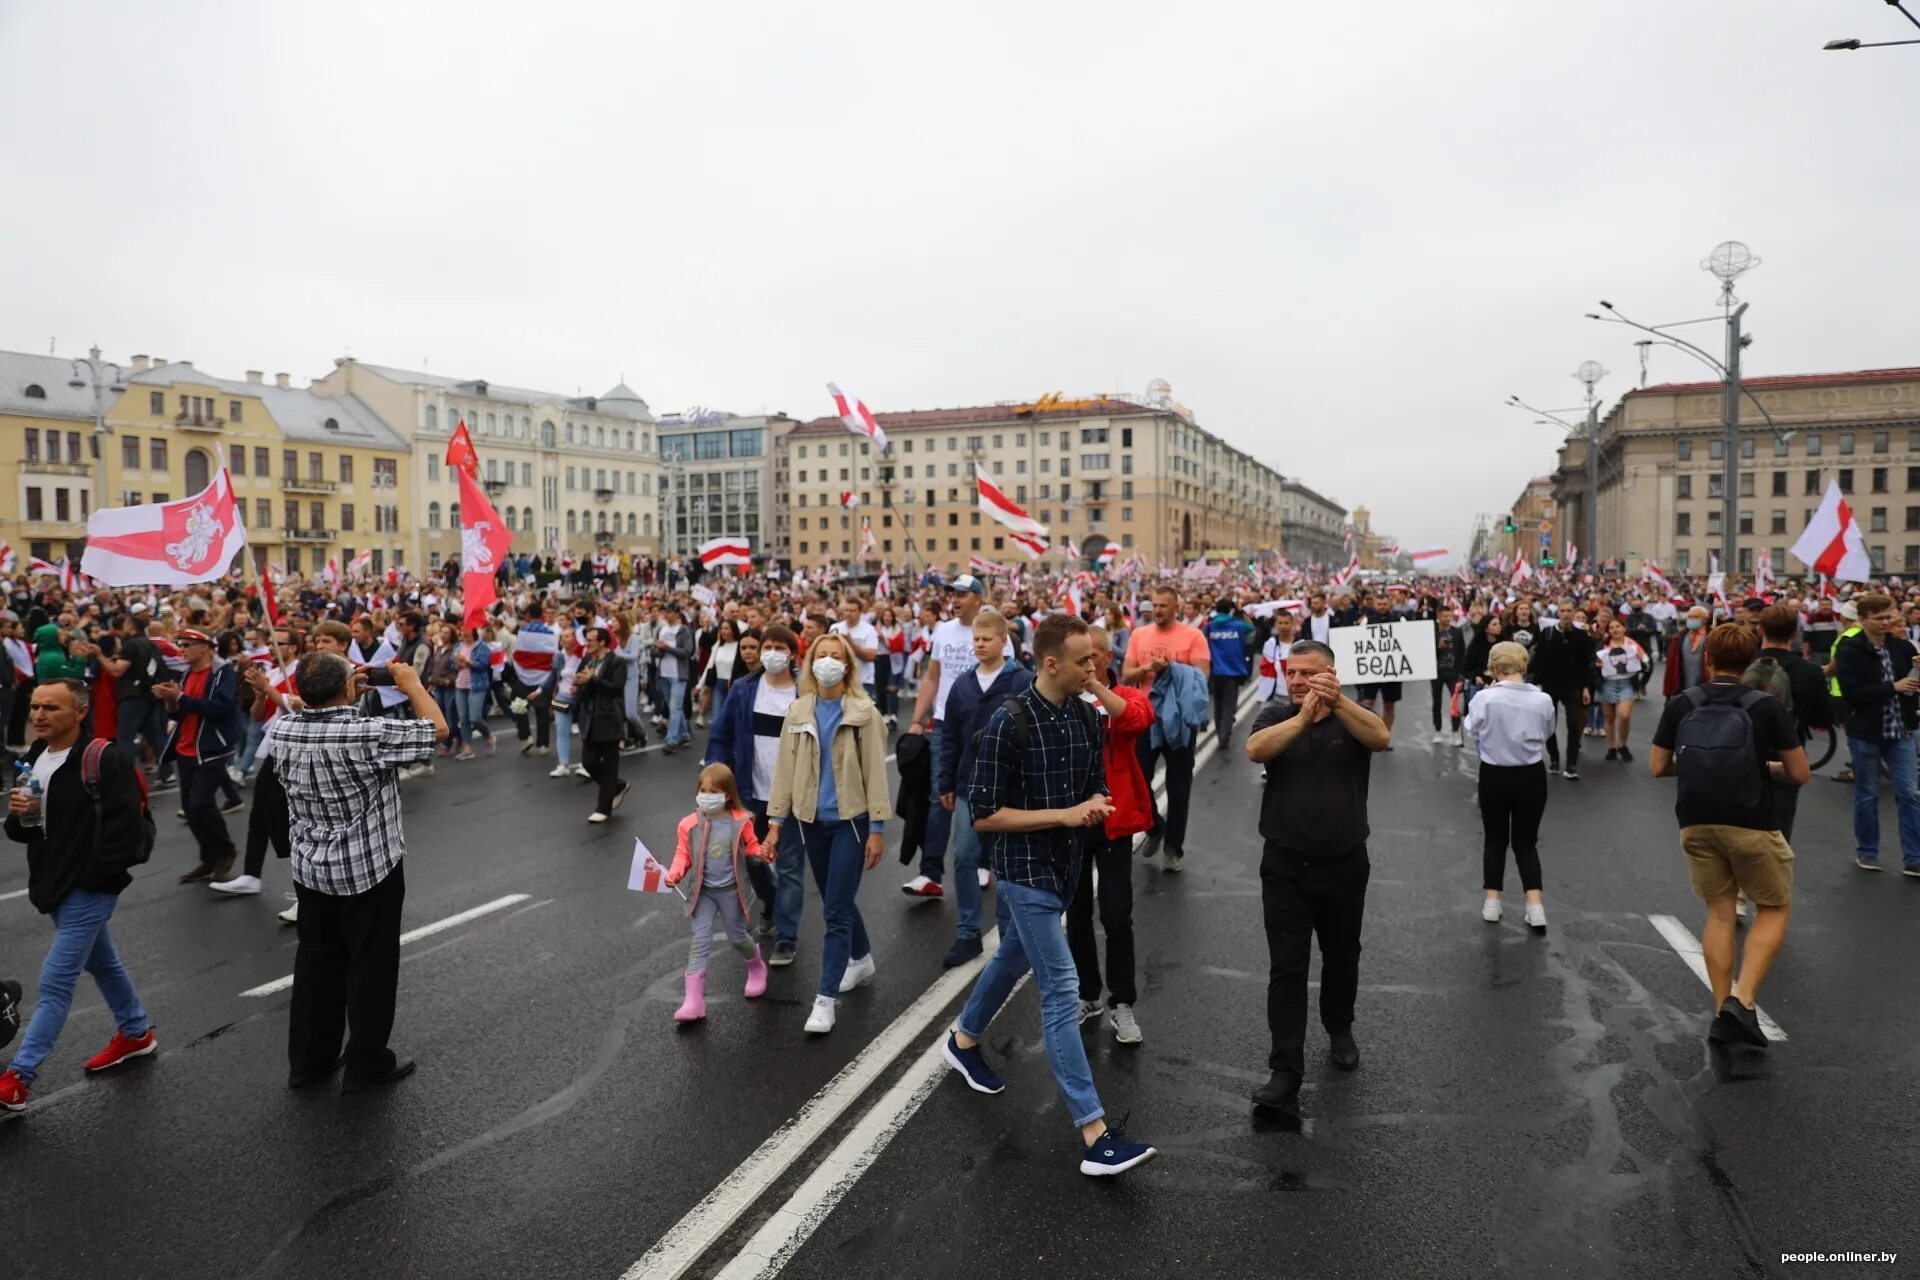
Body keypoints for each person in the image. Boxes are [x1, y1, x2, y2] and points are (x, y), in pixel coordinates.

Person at [941, 614, 1158, 1177]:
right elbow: (984, 814)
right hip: (1022, 871)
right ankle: (1095, 1134)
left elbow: (1098, 785)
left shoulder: (1087, 720)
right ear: (1052, 662)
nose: (1095, 667)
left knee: (1013, 953)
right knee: (1061, 989)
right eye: (1085, 660)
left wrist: (1099, 803)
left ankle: (963, 1040)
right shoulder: (1006, 723)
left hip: (1066, 870)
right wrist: (1065, 814)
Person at [272, 651, 448, 1091]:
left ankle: (310, 1062)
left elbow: (325, 718)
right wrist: (410, 684)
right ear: (348, 687)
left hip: (311, 867)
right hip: (369, 868)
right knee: (370, 968)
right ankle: (366, 1064)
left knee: (316, 966)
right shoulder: (366, 733)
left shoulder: (283, 729)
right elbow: (437, 730)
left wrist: (347, 693)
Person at [1244, 639, 1391, 1110]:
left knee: (1342, 953)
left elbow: (1381, 738)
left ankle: (1340, 1026)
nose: (1298, 681)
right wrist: (1303, 717)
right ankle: (1285, 1069)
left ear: (1330, 673)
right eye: (1293, 673)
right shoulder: (1276, 715)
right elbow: (1255, 749)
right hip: (1286, 863)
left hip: (1345, 860)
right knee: (1287, 966)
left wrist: (1339, 701)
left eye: (1309, 673)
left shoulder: (1353, 716)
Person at [0, 678, 156, 1113]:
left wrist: (92, 877)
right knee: (102, 962)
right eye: (35, 707)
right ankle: (136, 1033)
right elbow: (23, 831)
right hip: (52, 883)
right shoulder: (33, 757)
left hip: (87, 887)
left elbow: (125, 833)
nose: (39, 715)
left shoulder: (104, 758)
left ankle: (18, 1078)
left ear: (80, 712)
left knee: (54, 981)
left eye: (51, 707)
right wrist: (21, 816)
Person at [1649, 624, 1808, 1047]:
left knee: (1719, 913)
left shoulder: (1683, 703)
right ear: (1751, 660)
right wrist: (1763, 768)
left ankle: (1722, 1009)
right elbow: (1799, 773)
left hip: (1696, 820)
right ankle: (1745, 998)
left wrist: (1701, 765)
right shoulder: (1766, 706)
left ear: (1708, 658)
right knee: (1773, 907)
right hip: (1751, 820)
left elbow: (1657, 767)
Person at [765, 633, 891, 1034]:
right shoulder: (798, 711)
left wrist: (877, 828)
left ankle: (825, 1000)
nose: (829, 662)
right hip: (810, 822)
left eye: (837, 656)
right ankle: (861, 957)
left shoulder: (863, 713)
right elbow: (784, 772)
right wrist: (774, 823)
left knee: (834, 910)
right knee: (838, 897)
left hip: (851, 822)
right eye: (822, 656)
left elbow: (876, 772)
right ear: (810, 662)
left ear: (848, 666)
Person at [1066, 625, 1157, 1045]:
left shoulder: (1126, 696)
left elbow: (1136, 718)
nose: (1087, 664)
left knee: (1117, 915)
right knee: (1077, 914)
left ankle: (1123, 1002)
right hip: (1071, 820)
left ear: (1108, 658)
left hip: (1114, 820)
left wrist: (1096, 689)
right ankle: (1089, 994)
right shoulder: (1061, 699)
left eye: (1094, 656)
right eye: (1080, 657)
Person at [934, 608, 1032, 967]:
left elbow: (1032, 734)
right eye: (976, 639)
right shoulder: (963, 684)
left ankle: (1009, 935)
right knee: (963, 857)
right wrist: (945, 780)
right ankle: (968, 933)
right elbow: (949, 737)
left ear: (1003, 642)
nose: (980, 645)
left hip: (1009, 788)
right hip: (967, 786)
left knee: (1005, 862)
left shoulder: (1022, 681)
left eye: (987, 639)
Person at [902, 575, 1006, 899]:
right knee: (939, 796)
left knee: (981, 793)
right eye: (952, 594)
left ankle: (982, 863)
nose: (955, 599)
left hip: (983, 725)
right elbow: (933, 677)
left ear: (978, 597)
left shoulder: (993, 627)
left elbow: (1006, 676)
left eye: (962, 593)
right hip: (945, 725)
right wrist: (917, 719)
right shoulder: (943, 630)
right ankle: (930, 873)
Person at [709, 626, 801, 958]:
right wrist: (716, 773)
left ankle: (787, 939)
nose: (771, 653)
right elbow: (722, 734)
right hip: (752, 793)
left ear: (792, 653)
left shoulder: (807, 691)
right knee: (754, 861)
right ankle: (772, 903)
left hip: (792, 798)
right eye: (767, 647)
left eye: (780, 647)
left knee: (790, 866)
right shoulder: (744, 689)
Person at [663, 764, 772, 1023]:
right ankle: (693, 1001)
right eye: (703, 790)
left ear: (727, 794)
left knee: (737, 938)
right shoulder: (689, 825)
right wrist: (675, 872)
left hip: (732, 892)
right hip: (704, 893)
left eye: (713, 791)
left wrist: (764, 855)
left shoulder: (740, 822)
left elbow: (753, 849)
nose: (706, 796)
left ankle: (756, 964)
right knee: (699, 941)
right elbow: (683, 854)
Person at [1464, 642, 1556, 928]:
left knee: (1494, 839)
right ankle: (1535, 905)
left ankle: (1492, 901)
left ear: (1494, 668)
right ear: (1524, 667)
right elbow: (1547, 731)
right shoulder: (1542, 699)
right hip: (1530, 773)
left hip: (1494, 772)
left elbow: (1472, 729)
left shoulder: (1485, 698)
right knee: (1527, 842)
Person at [210, 628, 304, 899]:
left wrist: (268, 688)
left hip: (296, 752)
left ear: (294, 648)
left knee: (289, 821)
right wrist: (261, 694)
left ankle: (305, 889)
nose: (274, 649)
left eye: (281, 644)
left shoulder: (299, 673)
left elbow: (299, 708)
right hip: (275, 749)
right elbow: (257, 716)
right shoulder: (274, 674)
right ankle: (251, 875)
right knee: (259, 816)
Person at [1124, 586, 1212, 872]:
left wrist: (1172, 667)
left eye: (1164, 606)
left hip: (1179, 722)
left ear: (1176, 608)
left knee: (1178, 789)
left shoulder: (1193, 636)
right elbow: (1127, 673)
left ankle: (1173, 848)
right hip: (1145, 717)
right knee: (1137, 781)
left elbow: (1201, 676)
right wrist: (1149, 667)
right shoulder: (1139, 635)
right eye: (1155, 605)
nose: (1158, 610)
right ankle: (1154, 828)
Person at [1833, 592, 1920, 875]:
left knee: (1908, 793)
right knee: (1867, 794)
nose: (1885, 623)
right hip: (1866, 732)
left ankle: (1914, 857)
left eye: (1889, 617)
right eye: (1879, 618)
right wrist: (1893, 687)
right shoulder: (1850, 649)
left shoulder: (1902, 647)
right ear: (1862, 619)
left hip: (1901, 731)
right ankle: (1868, 851)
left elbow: (1911, 687)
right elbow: (1853, 694)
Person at [158, 628, 244, 884]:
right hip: (187, 747)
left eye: (186, 644)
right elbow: (179, 713)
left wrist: (181, 698)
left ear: (205, 647)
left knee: (200, 804)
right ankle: (209, 859)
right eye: (180, 644)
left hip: (211, 748)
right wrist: (171, 701)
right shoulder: (186, 674)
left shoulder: (222, 672)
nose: (181, 649)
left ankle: (225, 851)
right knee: (190, 808)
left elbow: (221, 709)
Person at [1755, 604, 1831, 843]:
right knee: (1779, 828)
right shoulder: (1808, 671)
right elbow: (1823, 719)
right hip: (1787, 752)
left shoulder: (1742, 663)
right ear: (1795, 633)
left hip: (1742, 751)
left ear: (1760, 630)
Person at [1532, 599, 1596, 780]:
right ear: (1558, 613)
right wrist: (1538, 682)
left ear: (1574, 612)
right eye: (1563, 611)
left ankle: (1571, 764)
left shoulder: (1581, 636)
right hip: (1550, 685)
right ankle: (1554, 758)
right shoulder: (1547, 633)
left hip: (1573, 686)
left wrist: (1585, 687)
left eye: (1569, 611)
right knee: (1550, 724)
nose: (1566, 614)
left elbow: (1587, 664)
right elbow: (1539, 660)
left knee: (1574, 725)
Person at [575, 626, 632, 823]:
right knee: (588, 761)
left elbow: (616, 688)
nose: (587, 644)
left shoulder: (617, 662)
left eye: (590, 640)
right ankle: (616, 786)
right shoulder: (587, 660)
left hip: (609, 718)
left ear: (601, 642)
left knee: (609, 765)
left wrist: (594, 679)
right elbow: (583, 686)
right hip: (591, 718)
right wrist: (581, 685)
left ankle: (603, 808)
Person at [1595, 617, 1648, 763]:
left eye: (1618, 626)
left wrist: (1641, 664)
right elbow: (1593, 662)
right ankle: (1611, 747)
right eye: (1611, 627)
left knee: (1624, 715)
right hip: (1607, 683)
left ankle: (1622, 745)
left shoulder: (1632, 644)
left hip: (1627, 683)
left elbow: (1646, 661)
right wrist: (1596, 665)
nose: (1615, 629)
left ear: (1624, 628)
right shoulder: (1603, 645)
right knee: (1609, 717)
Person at [1203, 598, 1255, 747]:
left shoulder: (1210, 626)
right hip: (1233, 673)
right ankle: (1224, 736)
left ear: (1216, 610)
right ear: (1230, 610)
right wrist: (1242, 614)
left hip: (1215, 672)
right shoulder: (1238, 625)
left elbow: (1202, 638)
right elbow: (1251, 628)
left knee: (1218, 705)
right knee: (1229, 706)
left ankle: (1220, 732)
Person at [656, 604, 697, 753]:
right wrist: (658, 649)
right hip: (664, 673)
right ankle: (685, 734)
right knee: (675, 707)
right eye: (665, 612)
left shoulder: (684, 630)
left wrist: (666, 648)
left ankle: (671, 740)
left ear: (676, 614)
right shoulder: (662, 630)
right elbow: (656, 651)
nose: (666, 615)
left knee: (674, 707)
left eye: (669, 613)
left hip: (679, 674)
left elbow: (687, 652)